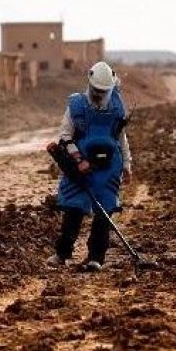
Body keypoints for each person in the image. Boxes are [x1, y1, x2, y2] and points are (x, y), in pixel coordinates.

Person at [47, 61, 132, 272]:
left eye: (103, 91)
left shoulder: (117, 106)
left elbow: (121, 138)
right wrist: (78, 160)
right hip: (81, 167)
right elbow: (65, 137)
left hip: (109, 168)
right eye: (96, 90)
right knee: (74, 209)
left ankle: (96, 258)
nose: (99, 94)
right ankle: (62, 254)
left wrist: (127, 164)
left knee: (104, 213)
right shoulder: (76, 106)